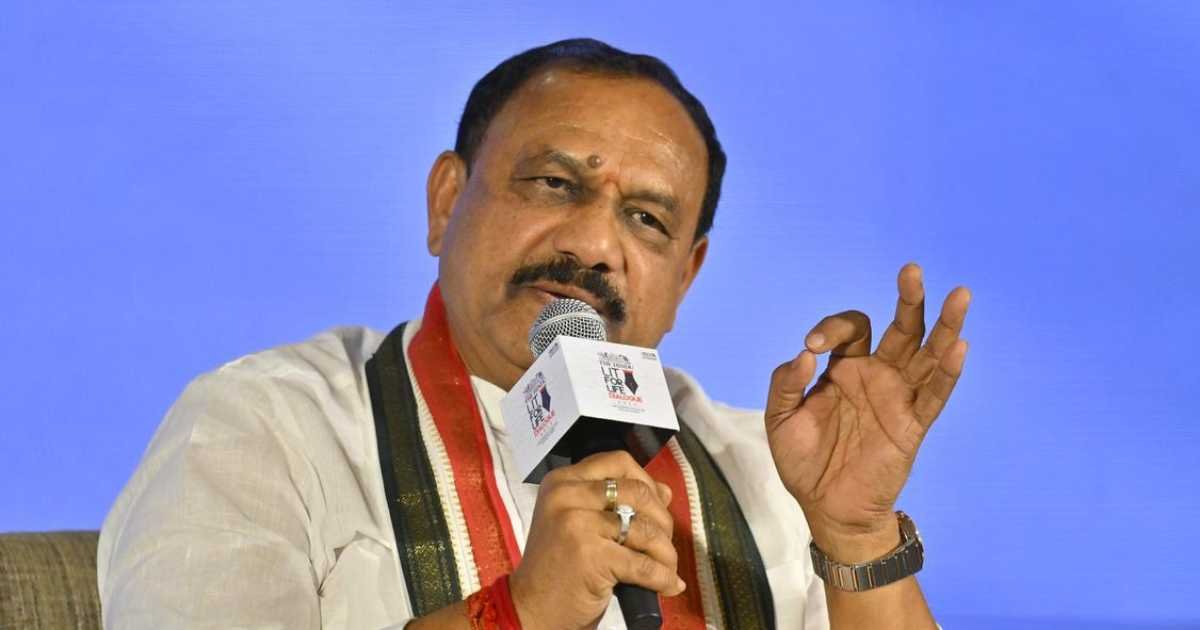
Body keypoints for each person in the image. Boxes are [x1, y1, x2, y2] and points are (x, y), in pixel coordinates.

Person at [98, 38, 970, 629]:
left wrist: (856, 536)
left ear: (686, 277)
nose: (592, 244)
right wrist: (520, 612)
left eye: (646, 219)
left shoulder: (767, 469)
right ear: (447, 201)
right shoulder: (265, 428)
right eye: (555, 184)